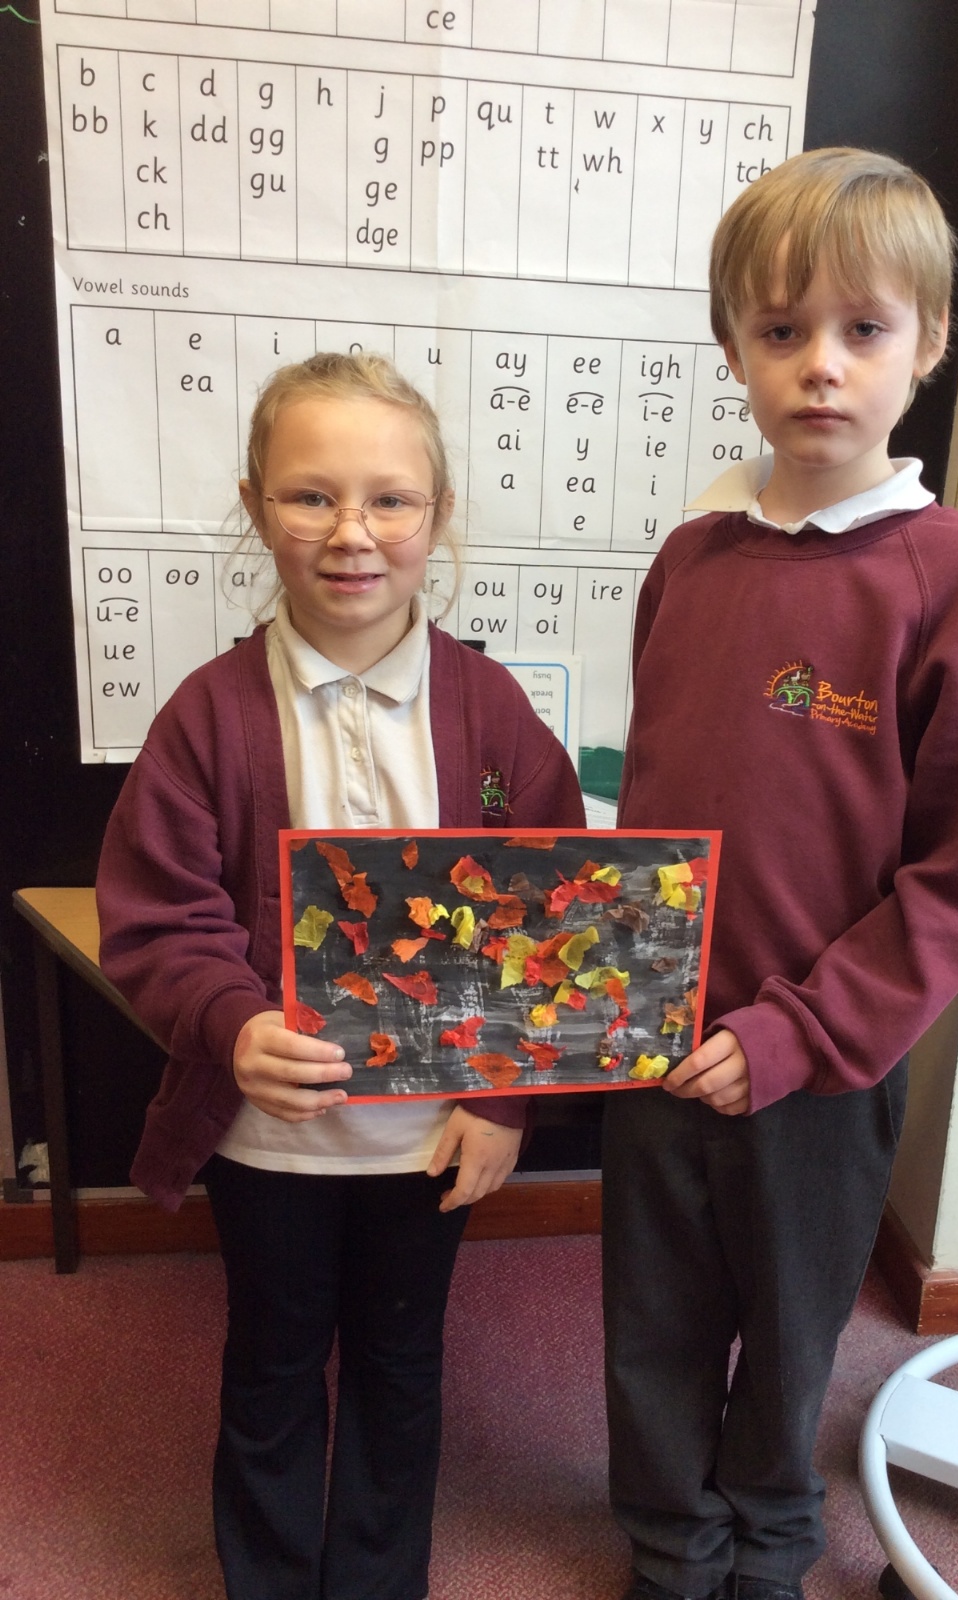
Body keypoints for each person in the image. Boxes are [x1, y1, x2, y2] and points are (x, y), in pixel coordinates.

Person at [97, 350, 585, 1600]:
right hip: (271, 1139)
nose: (351, 531)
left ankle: (376, 1580)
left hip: (431, 1138)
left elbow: (550, 921)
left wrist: (502, 1100)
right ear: (256, 504)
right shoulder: (209, 715)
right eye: (311, 495)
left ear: (439, 516)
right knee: (270, 1360)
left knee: (400, 1362)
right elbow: (159, 915)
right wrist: (229, 1020)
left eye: (389, 499)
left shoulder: (491, 713)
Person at [603, 148, 958, 1600]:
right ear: (732, 347)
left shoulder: (948, 573)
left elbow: (955, 878)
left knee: (790, 1332)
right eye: (781, 331)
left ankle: (769, 1541)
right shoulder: (689, 559)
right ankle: (670, 1545)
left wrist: (796, 1034)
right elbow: (654, 800)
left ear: (928, 342)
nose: (820, 367)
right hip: (657, 1047)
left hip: (823, 1069)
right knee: (652, 1322)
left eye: (862, 328)